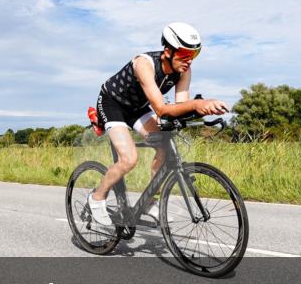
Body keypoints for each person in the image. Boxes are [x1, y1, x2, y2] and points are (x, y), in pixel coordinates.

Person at [87, 23, 228, 226]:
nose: (189, 61)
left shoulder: (183, 70)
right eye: (185, 54)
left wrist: (201, 109)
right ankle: (97, 198)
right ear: (168, 51)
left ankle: (148, 202)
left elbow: (180, 106)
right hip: (113, 103)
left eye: (194, 55)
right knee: (129, 159)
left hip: (138, 108)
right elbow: (162, 110)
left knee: (164, 148)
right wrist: (197, 104)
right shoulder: (144, 64)